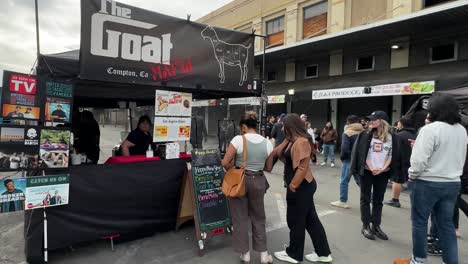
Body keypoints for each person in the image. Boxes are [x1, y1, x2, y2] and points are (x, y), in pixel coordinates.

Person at [394, 94, 467, 264]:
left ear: (434, 111)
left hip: (426, 182)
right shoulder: (461, 130)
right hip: (452, 183)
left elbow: (418, 161)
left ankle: (418, 260)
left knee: (419, 222)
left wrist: (412, 176)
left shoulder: (430, 130)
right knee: (446, 225)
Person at [266, 114, 332, 264]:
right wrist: (286, 140)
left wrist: (293, 186)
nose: (282, 128)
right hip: (301, 185)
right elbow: (278, 152)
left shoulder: (301, 141)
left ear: (291, 126)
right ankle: (323, 253)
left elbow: (302, 168)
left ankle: (294, 254)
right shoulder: (292, 140)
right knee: (311, 220)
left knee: (295, 220)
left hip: (301, 185)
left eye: (284, 125)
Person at [221, 111, 273, 264]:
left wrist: (235, 168)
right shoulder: (267, 143)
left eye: (241, 128)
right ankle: (264, 255)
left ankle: (245, 255)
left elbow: (224, 162)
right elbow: (268, 167)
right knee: (259, 217)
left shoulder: (238, 139)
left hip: (240, 182)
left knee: (240, 218)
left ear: (243, 126)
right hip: (258, 180)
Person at [351, 110, 398, 241]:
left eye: (373, 119)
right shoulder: (365, 134)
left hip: (383, 172)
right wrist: (371, 167)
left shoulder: (392, 137)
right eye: (369, 119)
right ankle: (365, 225)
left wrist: (383, 169)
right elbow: (361, 153)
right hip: (367, 171)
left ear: (382, 121)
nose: (370, 121)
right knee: (365, 199)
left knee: (378, 200)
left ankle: (376, 225)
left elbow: (392, 155)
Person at [331, 115, 363, 209]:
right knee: (360, 181)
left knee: (344, 181)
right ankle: (371, 197)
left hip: (348, 160)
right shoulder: (364, 132)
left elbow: (344, 149)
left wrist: (343, 158)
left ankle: (343, 201)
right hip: (360, 161)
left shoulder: (347, 133)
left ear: (348, 122)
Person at [385, 117, 416, 208]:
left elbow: (395, 149)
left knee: (397, 180)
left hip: (400, 161)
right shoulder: (416, 134)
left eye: (399, 123)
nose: (397, 124)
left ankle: (395, 200)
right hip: (413, 161)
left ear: (402, 124)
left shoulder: (399, 135)